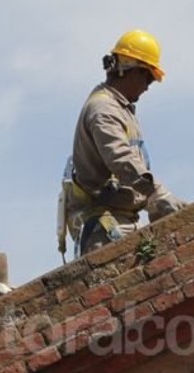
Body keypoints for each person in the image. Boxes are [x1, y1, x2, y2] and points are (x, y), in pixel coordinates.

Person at [60, 29, 186, 258]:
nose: (148, 85)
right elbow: (121, 159)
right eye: (147, 77)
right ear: (126, 69)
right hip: (105, 226)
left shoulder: (121, 108)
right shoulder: (104, 110)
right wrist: (157, 195)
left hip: (122, 220)